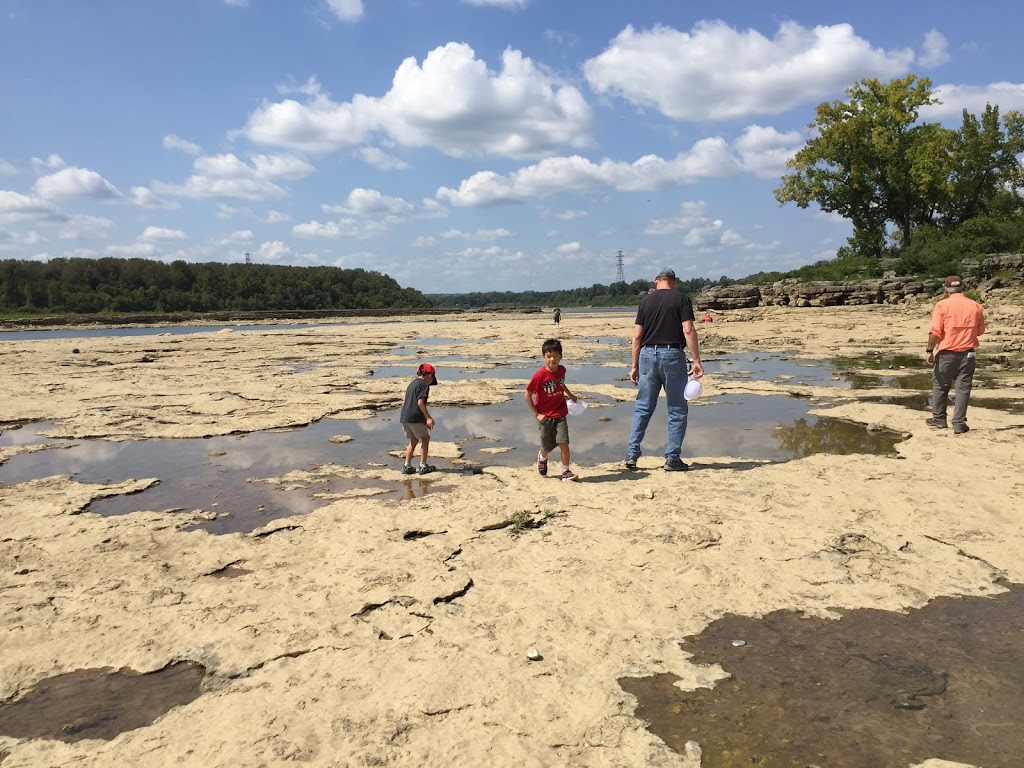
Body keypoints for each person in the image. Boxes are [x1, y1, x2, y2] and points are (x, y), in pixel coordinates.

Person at [625, 267, 705, 471]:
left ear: (656, 281)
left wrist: (634, 366)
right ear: (674, 281)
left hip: (646, 354)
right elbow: (688, 329)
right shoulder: (682, 299)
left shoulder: (645, 302)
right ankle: (672, 458)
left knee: (643, 407)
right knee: (677, 408)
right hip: (672, 355)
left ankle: (632, 455)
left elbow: (636, 336)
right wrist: (696, 360)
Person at [925, 275, 985, 434]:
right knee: (963, 389)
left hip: (947, 353)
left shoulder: (941, 306)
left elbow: (935, 332)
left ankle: (939, 419)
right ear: (962, 288)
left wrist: (929, 350)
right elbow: (980, 331)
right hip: (968, 354)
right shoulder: (976, 306)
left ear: (946, 290)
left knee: (940, 386)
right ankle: (958, 423)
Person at [524, 338, 580, 482]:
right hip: (545, 415)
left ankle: (565, 472)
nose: (552, 359)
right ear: (544, 357)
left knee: (564, 443)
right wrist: (537, 414)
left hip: (560, 412)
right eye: (549, 356)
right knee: (547, 445)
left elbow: (560, 384)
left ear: (561, 356)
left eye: (555, 356)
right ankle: (542, 458)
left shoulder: (562, 370)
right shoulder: (539, 376)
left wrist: (571, 395)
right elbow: (527, 395)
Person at [400, 363, 439, 474]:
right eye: (432, 378)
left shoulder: (412, 383)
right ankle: (423, 465)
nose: (431, 381)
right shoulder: (424, 385)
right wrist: (428, 418)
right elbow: (420, 402)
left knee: (413, 440)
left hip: (405, 417)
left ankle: (407, 466)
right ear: (430, 375)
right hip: (415, 417)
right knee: (425, 438)